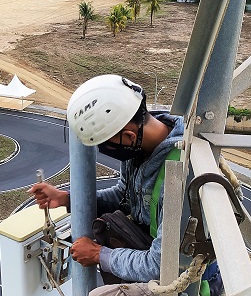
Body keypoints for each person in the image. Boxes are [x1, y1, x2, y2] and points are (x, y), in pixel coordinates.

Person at [31, 74, 183, 283]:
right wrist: (67, 199)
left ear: (129, 136)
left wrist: (99, 255)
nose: (105, 150)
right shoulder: (138, 149)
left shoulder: (178, 176)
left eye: (106, 144)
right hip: (149, 251)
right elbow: (124, 196)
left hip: (174, 279)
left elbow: (160, 266)